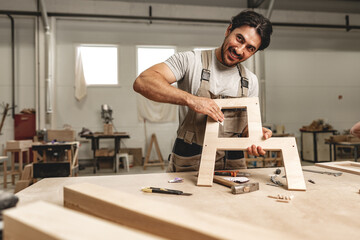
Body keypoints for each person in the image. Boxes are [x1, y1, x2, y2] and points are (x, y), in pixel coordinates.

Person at [134, 10, 273, 172]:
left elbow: (245, 129)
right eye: (239, 38)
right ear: (228, 30)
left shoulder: (250, 80)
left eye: (250, 48)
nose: (240, 50)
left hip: (233, 163)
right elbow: (143, 81)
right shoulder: (190, 61)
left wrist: (256, 134)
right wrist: (191, 99)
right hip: (190, 158)